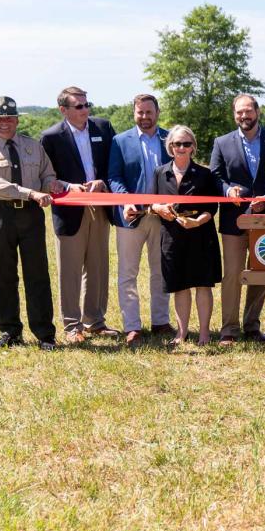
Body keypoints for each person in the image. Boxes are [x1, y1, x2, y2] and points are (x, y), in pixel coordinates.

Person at [0, 96, 59, 351]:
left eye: (9, 118)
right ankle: (10, 331)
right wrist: (31, 193)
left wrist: (48, 186)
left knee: (38, 274)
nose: (4, 123)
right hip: (1, 215)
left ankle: (45, 333)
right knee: (5, 275)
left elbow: (47, 174)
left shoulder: (34, 146)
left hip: (32, 216)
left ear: (17, 120)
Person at [39, 86, 117, 344]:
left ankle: (95, 321)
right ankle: (72, 326)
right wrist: (69, 186)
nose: (86, 110)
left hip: (99, 207)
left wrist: (103, 181)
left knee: (97, 267)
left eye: (87, 104)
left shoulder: (103, 128)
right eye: (79, 106)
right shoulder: (50, 137)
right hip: (69, 210)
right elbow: (45, 176)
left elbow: (114, 166)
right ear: (64, 110)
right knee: (70, 270)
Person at [209, 93, 265, 345]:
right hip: (233, 219)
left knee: (260, 272)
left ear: (257, 112)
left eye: (248, 111)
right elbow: (215, 177)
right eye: (239, 112)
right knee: (232, 274)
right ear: (234, 114)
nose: (244, 116)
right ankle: (229, 328)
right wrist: (228, 191)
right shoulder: (221, 142)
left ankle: (252, 326)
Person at [107, 94, 173, 346]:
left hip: (162, 216)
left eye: (149, 112)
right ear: (134, 113)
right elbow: (114, 177)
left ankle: (160, 321)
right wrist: (126, 201)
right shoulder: (120, 141)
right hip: (130, 217)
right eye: (140, 113)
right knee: (127, 273)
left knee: (161, 271)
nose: (144, 117)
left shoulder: (170, 139)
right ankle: (132, 326)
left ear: (157, 113)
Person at [150, 126, 222, 346]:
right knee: (179, 285)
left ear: (193, 147)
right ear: (170, 147)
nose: (181, 148)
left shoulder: (204, 174)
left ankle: (204, 333)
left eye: (186, 144)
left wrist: (197, 221)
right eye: (176, 144)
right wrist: (158, 209)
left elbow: (213, 207)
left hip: (201, 235)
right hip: (171, 236)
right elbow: (151, 201)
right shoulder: (160, 172)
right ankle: (181, 333)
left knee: (202, 284)